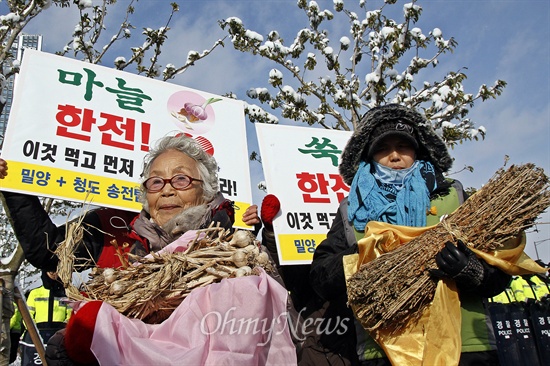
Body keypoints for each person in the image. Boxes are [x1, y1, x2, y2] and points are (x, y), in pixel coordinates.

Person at [0, 133, 296, 365]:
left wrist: (269, 234)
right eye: (156, 182)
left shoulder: (231, 247)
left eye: (180, 179)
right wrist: (11, 184)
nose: (167, 190)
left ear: (205, 190)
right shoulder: (113, 228)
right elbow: (47, 251)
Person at [309, 104, 511, 365]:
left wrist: (472, 271)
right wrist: (362, 256)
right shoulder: (351, 209)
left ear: (418, 152)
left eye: (403, 147)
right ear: (369, 157)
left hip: (466, 347)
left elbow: (503, 271)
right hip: (384, 351)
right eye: (382, 148)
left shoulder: (456, 197)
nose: (394, 156)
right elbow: (320, 277)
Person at [20, 270, 72, 366]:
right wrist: (33, 332)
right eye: (49, 270)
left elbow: (70, 315)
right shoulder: (35, 293)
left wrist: (63, 331)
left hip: (58, 338)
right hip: (36, 336)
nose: (53, 273)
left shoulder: (66, 294)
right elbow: (27, 316)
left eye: (56, 270)